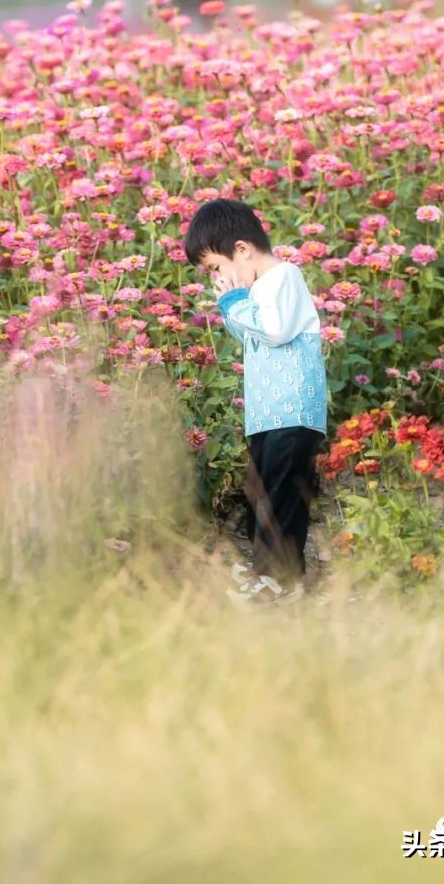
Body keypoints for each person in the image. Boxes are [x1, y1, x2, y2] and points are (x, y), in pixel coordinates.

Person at [183, 197, 328, 607]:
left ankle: (283, 580)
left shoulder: (283, 276)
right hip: (268, 414)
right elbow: (251, 334)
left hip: (293, 410)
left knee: (282, 493)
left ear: (242, 250)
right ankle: (267, 574)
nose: (217, 277)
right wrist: (232, 307)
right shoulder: (258, 288)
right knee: (261, 492)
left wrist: (233, 303)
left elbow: (275, 330)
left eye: (216, 267)